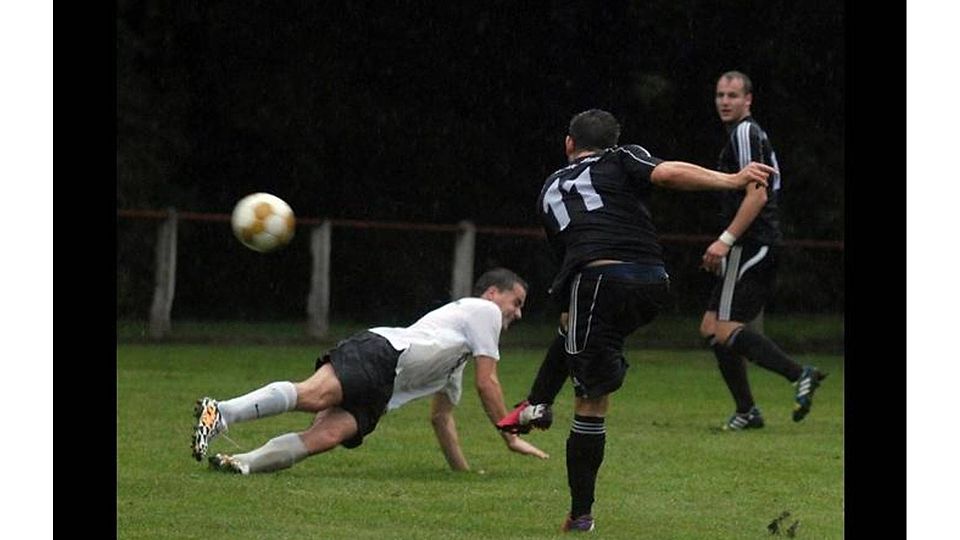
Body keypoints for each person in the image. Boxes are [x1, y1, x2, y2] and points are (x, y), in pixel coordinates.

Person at [494, 108, 776, 533]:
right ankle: (537, 404)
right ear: (611, 142)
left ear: (569, 144)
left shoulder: (551, 187)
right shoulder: (624, 157)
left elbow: (572, 248)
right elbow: (664, 174)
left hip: (595, 281)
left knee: (591, 398)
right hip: (651, 283)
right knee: (578, 336)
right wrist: (729, 180)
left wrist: (731, 178)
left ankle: (580, 515)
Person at [190, 267, 549, 475]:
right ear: (491, 294)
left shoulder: (458, 351)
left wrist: (464, 475)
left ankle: (240, 464)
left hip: (384, 390)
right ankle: (220, 411)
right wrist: (512, 435)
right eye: (515, 302)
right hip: (382, 353)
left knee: (325, 436)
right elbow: (488, 383)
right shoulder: (482, 312)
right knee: (313, 396)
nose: (517, 313)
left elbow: (442, 419)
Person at [699, 71, 826, 432]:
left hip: (753, 242)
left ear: (748, 100)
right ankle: (748, 411)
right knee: (711, 327)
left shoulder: (744, 132)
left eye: (733, 95)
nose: (725, 101)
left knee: (724, 328)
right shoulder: (743, 135)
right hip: (750, 242)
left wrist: (725, 239)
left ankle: (799, 373)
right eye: (720, 94)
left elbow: (757, 194)